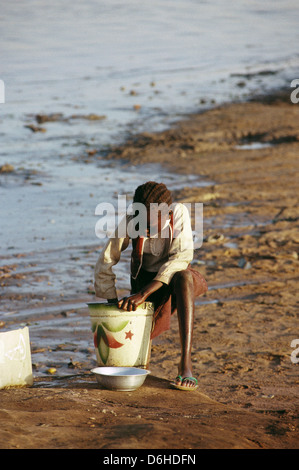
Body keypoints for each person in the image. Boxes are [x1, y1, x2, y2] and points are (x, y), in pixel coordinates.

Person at [94, 181, 207, 391]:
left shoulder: (179, 213)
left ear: (166, 215)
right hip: (143, 283)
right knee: (137, 362)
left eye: (150, 224)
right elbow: (106, 260)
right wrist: (112, 305)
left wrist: (143, 294)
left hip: (175, 282)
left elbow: (181, 258)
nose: (144, 229)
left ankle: (185, 365)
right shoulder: (130, 220)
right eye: (141, 223)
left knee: (183, 276)